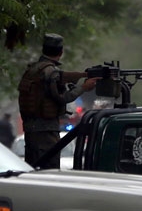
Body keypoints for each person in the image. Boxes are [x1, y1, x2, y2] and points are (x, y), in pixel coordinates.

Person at [17, 34, 97, 168]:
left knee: (32, 171)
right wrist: (84, 87)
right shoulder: (51, 72)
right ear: (61, 52)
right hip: (46, 132)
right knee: (49, 172)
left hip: (31, 131)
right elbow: (63, 98)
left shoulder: (32, 69)